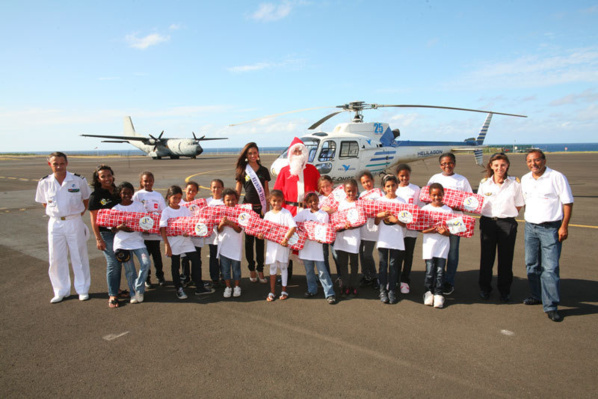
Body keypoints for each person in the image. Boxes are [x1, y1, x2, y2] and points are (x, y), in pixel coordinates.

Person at [521, 149, 573, 322]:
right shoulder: (526, 179)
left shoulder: (556, 177)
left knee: (550, 268)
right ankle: (536, 295)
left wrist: (564, 226)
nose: (533, 164)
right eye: (529, 161)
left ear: (544, 160)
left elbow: (567, 202)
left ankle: (551, 305)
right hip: (530, 227)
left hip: (551, 228)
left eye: (536, 160)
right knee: (531, 264)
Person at [35, 152, 91, 303]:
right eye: (55, 164)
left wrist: (77, 214)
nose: (59, 166)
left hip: (74, 221)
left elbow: (86, 199)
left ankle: (82, 289)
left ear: (67, 163)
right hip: (55, 223)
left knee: (79, 255)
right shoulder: (44, 182)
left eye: (61, 163)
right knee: (56, 257)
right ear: (50, 165)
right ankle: (61, 290)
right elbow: (44, 203)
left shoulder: (78, 180)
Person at [477, 153, 524, 302]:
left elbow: (519, 204)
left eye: (502, 165)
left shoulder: (515, 184)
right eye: (496, 165)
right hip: (488, 223)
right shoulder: (484, 184)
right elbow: (478, 203)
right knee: (486, 258)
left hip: (507, 223)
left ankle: (504, 290)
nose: (499, 168)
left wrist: (508, 214)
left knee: (506, 259)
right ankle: (485, 288)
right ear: (491, 166)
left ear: (507, 165)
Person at [273, 137, 321, 282]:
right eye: (295, 150)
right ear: (290, 153)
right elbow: (277, 193)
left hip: (307, 213)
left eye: (301, 150)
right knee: (287, 244)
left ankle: (311, 277)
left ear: (305, 153)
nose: (298, 153)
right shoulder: (284, 171)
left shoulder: (312, 170)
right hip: (290, 212)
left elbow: (321, 190)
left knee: (308, 244)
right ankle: (285, 276)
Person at [426, 153, 472, 295]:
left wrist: (458, 207)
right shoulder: (434, 178)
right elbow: (426, 198)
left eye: (450, 163)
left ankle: (448, 281)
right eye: (444, 163)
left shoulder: (462, 180)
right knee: (436, 251)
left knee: (452, 253)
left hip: (455, 221)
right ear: (440, 165)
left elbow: (470, 202)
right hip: (437, 220)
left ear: (454, 163)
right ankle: (435, 279)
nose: (447, 166)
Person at [160, 185, 214, 300]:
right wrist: (166, 245)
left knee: (196, 261)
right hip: (174, 243)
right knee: (175, 266)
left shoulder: (184, 209)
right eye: (174, 198)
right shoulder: (166, 211)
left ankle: (199, 286)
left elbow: (190, 224)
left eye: (179, 198)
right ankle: (178, 288)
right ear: (169, 197)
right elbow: (163, 229)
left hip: (186, 242)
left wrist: (188, 232)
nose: (177, 201)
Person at [88, 164, 125, 308]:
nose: (107, 178)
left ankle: (117, 289)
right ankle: (112, 294)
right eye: (103, 176)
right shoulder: (95, 196)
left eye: (109, 175)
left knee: (121, 261)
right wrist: (98, 238)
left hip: (120, 232)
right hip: (106, 234)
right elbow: (94, 220)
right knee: (113, 263)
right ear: (98, 178)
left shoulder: (117, 192)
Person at [111, 182, 151, 305]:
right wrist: (119, 227)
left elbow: (146, 223)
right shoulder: (115, 209)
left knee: (146, 263)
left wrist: (145, 228)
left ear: (132, 193)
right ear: (120, 194)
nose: (126, 195)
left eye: (129, 193)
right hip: (122, 244)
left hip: (137, 242)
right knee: (130, 271)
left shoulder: (139, 206)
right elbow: (111, 228)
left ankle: (138, 288)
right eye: (124, 193)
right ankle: (134, 294)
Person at [235, 143, 270, 284]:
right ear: (246, 155)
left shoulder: (264, 170)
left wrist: (267, 210)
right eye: (250, 153)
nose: (253, 156)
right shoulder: (242, 170)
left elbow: (267, 192)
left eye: (255, 153)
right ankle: (251, 269)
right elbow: (237, 192)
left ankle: (261, 270)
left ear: (258, 154)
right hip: (247, 210)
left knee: (260, 241)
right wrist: (234, 209)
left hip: (260, 209)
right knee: (249, 242)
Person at [294, 192, 336, 304]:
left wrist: (320, 238)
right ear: (307, 203)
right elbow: (293, 222)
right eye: (310, 201)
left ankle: (330, 293)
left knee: (322, 271)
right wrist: (301, 232)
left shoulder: (323, 214)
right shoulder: (304, 213)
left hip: (318, 247)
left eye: (315, 200)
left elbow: (324, 229)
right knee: (309, 271)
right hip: (306, 247)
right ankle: (312, 289)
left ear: (318, 201)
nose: (313, 203)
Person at [374, 175, 406, 304]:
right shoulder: (379, 201)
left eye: (393, 185)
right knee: (383, 265)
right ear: (383, 188)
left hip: (396, 238)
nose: (391, 188)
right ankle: (382, 290)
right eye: (388, 186)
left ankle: (392, 290)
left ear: (397, 186)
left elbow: (405, 223)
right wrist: (379, 216)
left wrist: (395, 220)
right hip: (383, 238)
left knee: (393, 265)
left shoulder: (402, 201)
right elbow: (376, 222)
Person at [421, 183, 453, 309]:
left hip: (443, 245)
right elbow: (422, 229)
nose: (436, 197)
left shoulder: (448, 210)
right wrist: (432, 230)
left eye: (439, 194)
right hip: (429, 245)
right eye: (434, 195)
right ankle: (428, 292)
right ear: (429, 195)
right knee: (430, 271)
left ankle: (438, 293)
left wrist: (446, 232)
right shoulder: (425, 209)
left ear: (443, 195)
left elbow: (452, 229)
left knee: (440, 271)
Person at [261, 190, 297, 301]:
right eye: (274, 201)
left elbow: (293, 227)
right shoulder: (267, 214)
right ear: (270, 201)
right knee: (272, 267)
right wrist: (260, 235)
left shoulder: (286, 213)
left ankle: (284, 290)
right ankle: (272, 292)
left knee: (283, 267)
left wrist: (286, 239)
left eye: (279, 201)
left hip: (283, 245)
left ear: (283, 200)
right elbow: (263, 229)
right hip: (272, 246)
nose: (276, 203)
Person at [132, 171, 166, 288]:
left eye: (150, 180)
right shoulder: (137, 195)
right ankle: (147, 278)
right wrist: (142, 227)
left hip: (155, 234)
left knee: (157, 256)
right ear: (141, 182)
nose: (148, 183)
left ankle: (160, 276)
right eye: (145, 181)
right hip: (142, 234)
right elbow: (133, 212)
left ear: (153, 181)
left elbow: (163, 212)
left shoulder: (158, 196)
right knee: (145, 257)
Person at [395, 163, 421, 295]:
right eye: (402, 176)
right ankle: (395, 279)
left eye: (407, 175)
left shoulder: (416, 189)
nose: (404, 178)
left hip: (411, 229)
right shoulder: (395, 189)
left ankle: (405, 280)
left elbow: (419, 207)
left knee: (408, 255)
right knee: (397, 255)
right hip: (398, 229)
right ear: (398, 176)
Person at [333, 179, 361, 298]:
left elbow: (362, 220)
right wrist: (341, 226)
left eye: (353, 191)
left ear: (357, 190)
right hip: (342, 236)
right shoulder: (340, 204)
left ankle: (353, 285)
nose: (351, 193)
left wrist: (353, 225)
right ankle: (344, 285)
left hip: (354, 236)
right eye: (348, 191)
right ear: (344, 191)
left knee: (354, 263)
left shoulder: (359, 203)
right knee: (343, 262)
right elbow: (335, 219)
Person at [217, 189, 244, 298]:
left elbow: (239, 230)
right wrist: (222, 224)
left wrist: (231, 223)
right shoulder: (220, 213)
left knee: (236, 268)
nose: (231, 202)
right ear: (223, 201)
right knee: (225, 269)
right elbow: (218, 230)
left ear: (237, 200)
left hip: (236, 245)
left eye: (233, 199)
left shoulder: (240, 213)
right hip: (224, 246)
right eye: (228, 200)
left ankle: (237, 286)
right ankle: (228, 287)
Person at [358, 170, 381, 288]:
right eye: (363, 182)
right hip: (362, 227)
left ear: (373, 180)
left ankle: (374, 276)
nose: (366, 184)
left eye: (368, 181)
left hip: (372, 229)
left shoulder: (378, 194)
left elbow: (379, 210)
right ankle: (366, 275)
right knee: (361, 253)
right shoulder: (361, 195)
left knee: (367, 254)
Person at [180, 181, 204, 287]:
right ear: (185, 189)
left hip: (195, 236)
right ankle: (185, 278)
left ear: (197, 192)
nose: (191, 192)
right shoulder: (179, 203)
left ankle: (196, 278)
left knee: (196, 258)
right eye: (189, 189)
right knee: (184, 258)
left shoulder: (199, 204)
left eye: (194, 190)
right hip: (184, 236)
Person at [206, 179, 225, 287]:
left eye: (218, 187)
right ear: (210, 188)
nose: (216, 189)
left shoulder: (225, 201)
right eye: (214, 187)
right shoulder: (207, 202)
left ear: (222, 188)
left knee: (224, 256)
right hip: (212, 235)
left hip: (224, 234)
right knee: (213, 256)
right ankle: (214, 278)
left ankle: (224, 276)